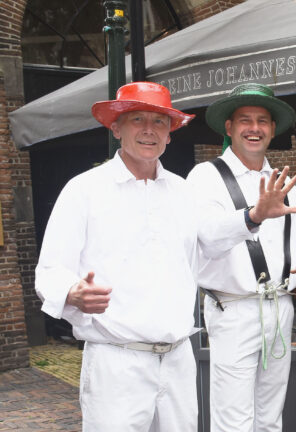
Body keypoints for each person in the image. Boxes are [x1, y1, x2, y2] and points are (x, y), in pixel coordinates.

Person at [35, 81, 198, 431]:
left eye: (159, 122)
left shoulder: (184, 193)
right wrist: (71, 292)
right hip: (116, 362)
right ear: (116, 128)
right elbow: (50, 269)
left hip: (178, 360)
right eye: (137, 119)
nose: (149, 130)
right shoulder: (84, 190)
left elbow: (207, 252)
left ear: (169, 134)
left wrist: (253, 218)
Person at [186, 83, 296, 432]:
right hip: (233, 309)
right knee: (234, 421)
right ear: (229, 127)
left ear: (272, 129)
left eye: (262, 121)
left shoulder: (281, 181)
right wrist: (253, 216)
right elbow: (207, 238)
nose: (254, 128)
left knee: (270, 419)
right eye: (245, 120)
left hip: (280, 307)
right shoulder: (205, 177)